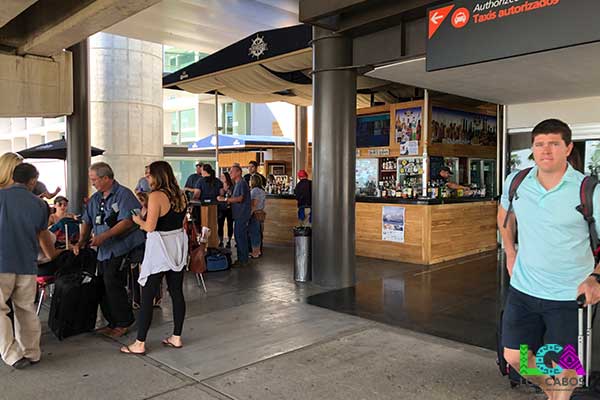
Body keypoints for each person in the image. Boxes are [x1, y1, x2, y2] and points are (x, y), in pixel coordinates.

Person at [498, 119, 600, 400]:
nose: (546, 150)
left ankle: (558, 394)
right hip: (523, 291)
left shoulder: (589, 189)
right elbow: (505, 216)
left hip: (568, 296)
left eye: (554, 143)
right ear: (533, 149)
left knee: (563, 366)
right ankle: (552, 391)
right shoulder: (517, 181)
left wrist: (596, 277)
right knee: (515, 356)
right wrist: (510, 252)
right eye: (540, 144)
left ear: (568, 148)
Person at [121, 161, 188, 355]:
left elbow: (150, 227)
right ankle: (176, 336)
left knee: (148, 295)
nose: (146, 178)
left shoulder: (156, 195)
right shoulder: (181, 194)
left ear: (158, 175)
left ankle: (140, 342)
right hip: (177, 245)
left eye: (149, 174)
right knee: (176, 292)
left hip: (159, 248)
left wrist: (136, 219)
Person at [73, 162, 145, 338]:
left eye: (94, 179)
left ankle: (124, 322)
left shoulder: (124, 194)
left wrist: (103, 237)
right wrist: (81, 241)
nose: (92, 183)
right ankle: (112, 321)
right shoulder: (96, 198)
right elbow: (87, 220)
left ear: (106, 178)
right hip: (102, 250)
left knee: (113, 282)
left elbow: (128, 221)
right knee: (102, 284)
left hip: (121, 247)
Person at [0, 163, 60, 369]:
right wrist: (53, 254)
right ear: (33, 181)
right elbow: (43, 236)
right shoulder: (40, 205)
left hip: (1, 262)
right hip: (27, 263)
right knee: (25, 308)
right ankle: (32, 352)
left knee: (0, 309)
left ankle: (12, 354)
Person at [218, 165, 251, 267]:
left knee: (240, 237)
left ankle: (243, 260)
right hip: (238, 214)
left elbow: (240, 198)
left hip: (242, 214)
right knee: (238, 236)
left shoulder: (241, 183)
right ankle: (242, 259)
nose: (230, 173)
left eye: (232, 171)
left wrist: (225, 199)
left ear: (239, 172)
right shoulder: (237, 184)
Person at [249, 175, 266, 258]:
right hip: (261, 214)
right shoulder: (262, 191)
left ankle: (255, 253)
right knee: (258, 233)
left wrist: (249, 215)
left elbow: (254, 205)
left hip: (255, 214)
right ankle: (258, 251)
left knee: (254, 233)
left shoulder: (254, 191)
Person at [218, 172, 234, 248]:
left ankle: (229, 241)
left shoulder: (232, 186)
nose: (221, 178)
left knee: (230, 225)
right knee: (220, 224)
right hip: (221, 208)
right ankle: (220, 241)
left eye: (223, 176)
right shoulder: (219, 186)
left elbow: (233, 197)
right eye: (221, 176)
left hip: (230, 208)